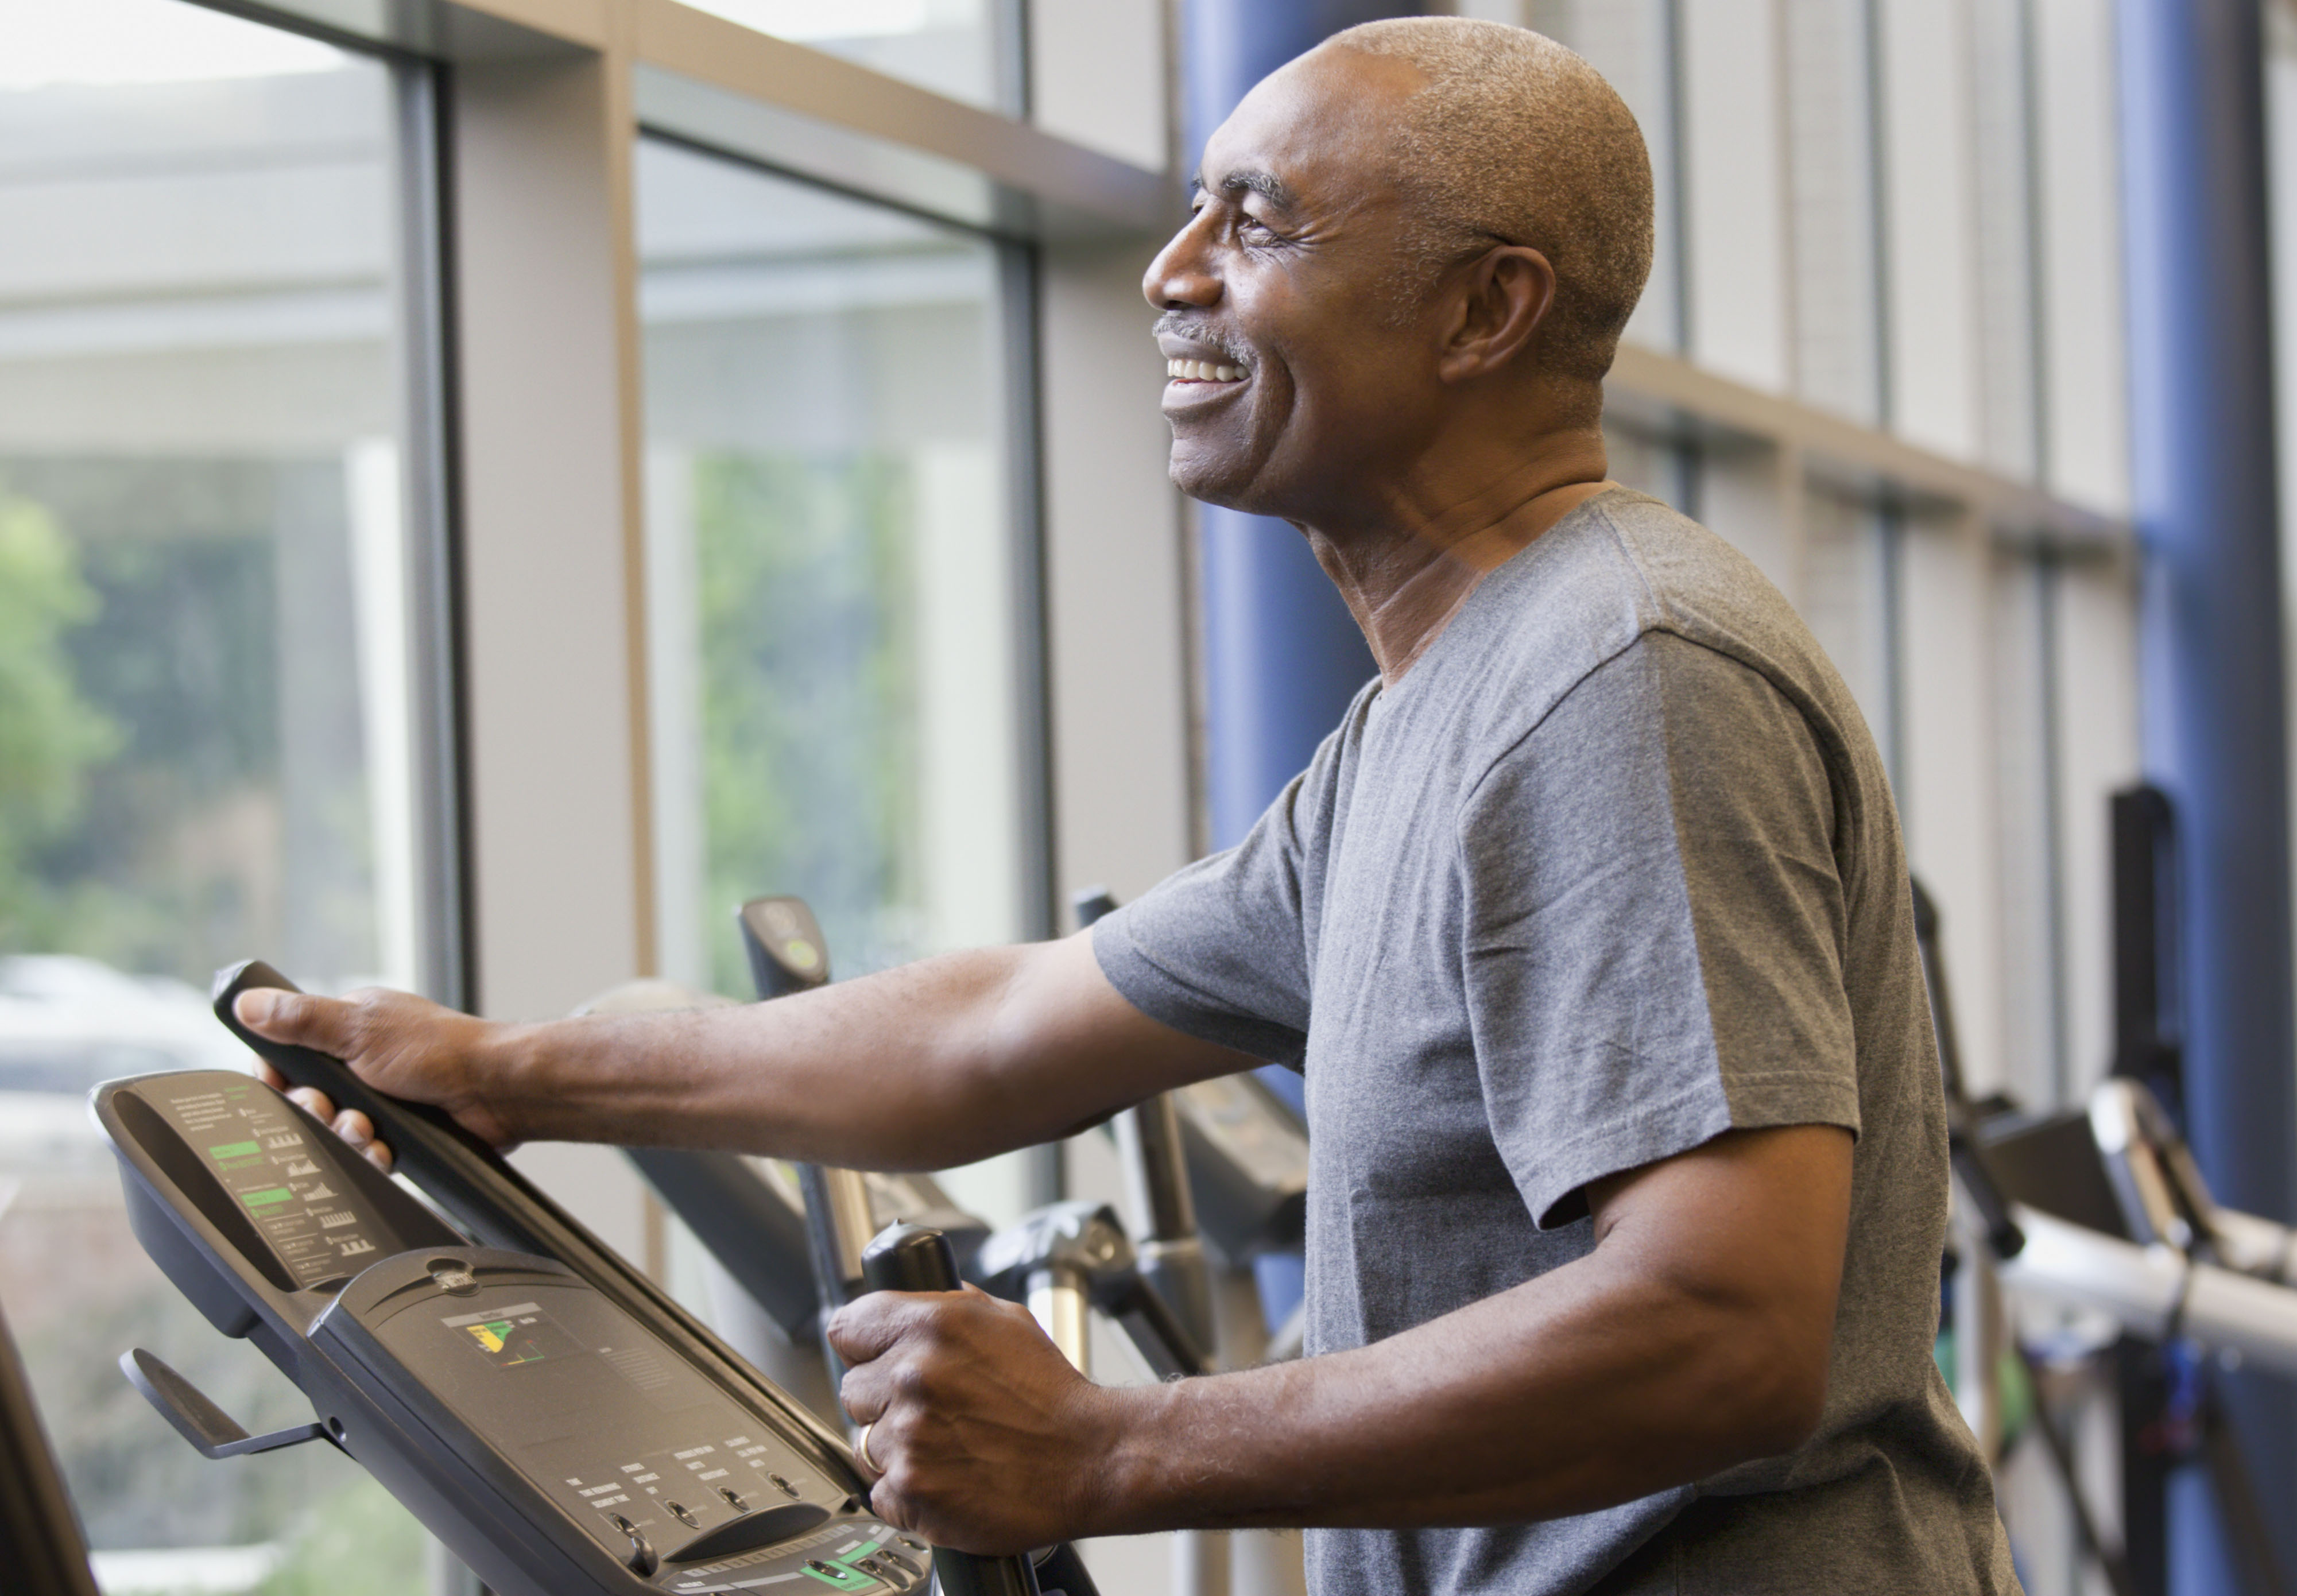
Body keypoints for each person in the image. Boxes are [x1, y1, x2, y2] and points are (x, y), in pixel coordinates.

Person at [234, 18, 2016, 1595]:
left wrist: (1107, 1447)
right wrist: (512, 1068)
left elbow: (1729, 1323)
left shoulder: (1619, 675)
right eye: (1188, 211)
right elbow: (1006, 1027)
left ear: (1489, 308)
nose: (1170, 272)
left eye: (1255, 224)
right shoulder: (1439, 708)